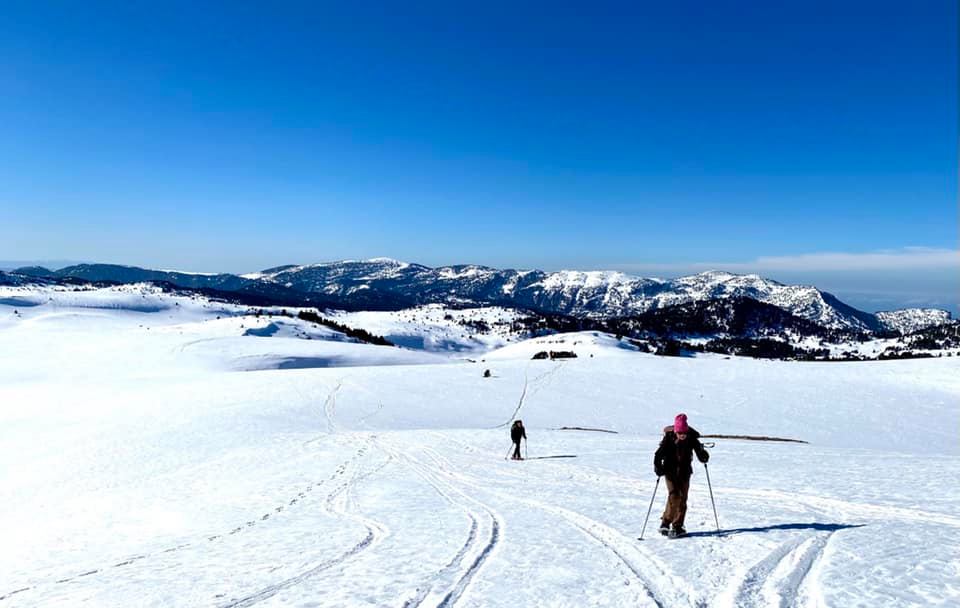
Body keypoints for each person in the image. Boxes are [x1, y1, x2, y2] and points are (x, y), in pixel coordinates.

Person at [654, 413, 709, 538]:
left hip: (685, 472)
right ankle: (666, 523)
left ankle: (678, 525)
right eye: (680, 433)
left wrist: (703, 456)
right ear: (676, 432)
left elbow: (699, 452)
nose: (682, 435)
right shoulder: (668, 438)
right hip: (670, 471)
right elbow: (658, 454)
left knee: (683, 498)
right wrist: (658, 467)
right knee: (674, 495)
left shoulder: (692, 438)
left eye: (684, 433)